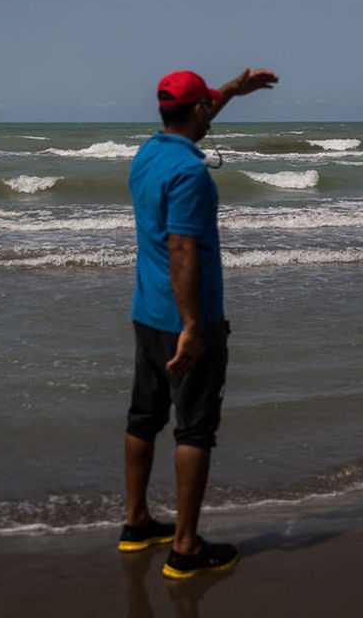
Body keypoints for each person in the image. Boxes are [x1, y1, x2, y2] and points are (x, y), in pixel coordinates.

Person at [122, 67, 277, 580]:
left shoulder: (148, 153)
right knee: (195, 428)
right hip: (188, 320)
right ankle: (185, 547)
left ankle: (137, 521)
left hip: (147, 314)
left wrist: (231, 90)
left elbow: (198, 114)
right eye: (208, 105)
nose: (211, 111)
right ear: (195, 111)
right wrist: (192, 326)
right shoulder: (189, 173)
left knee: (143, 418)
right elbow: (183, 249)